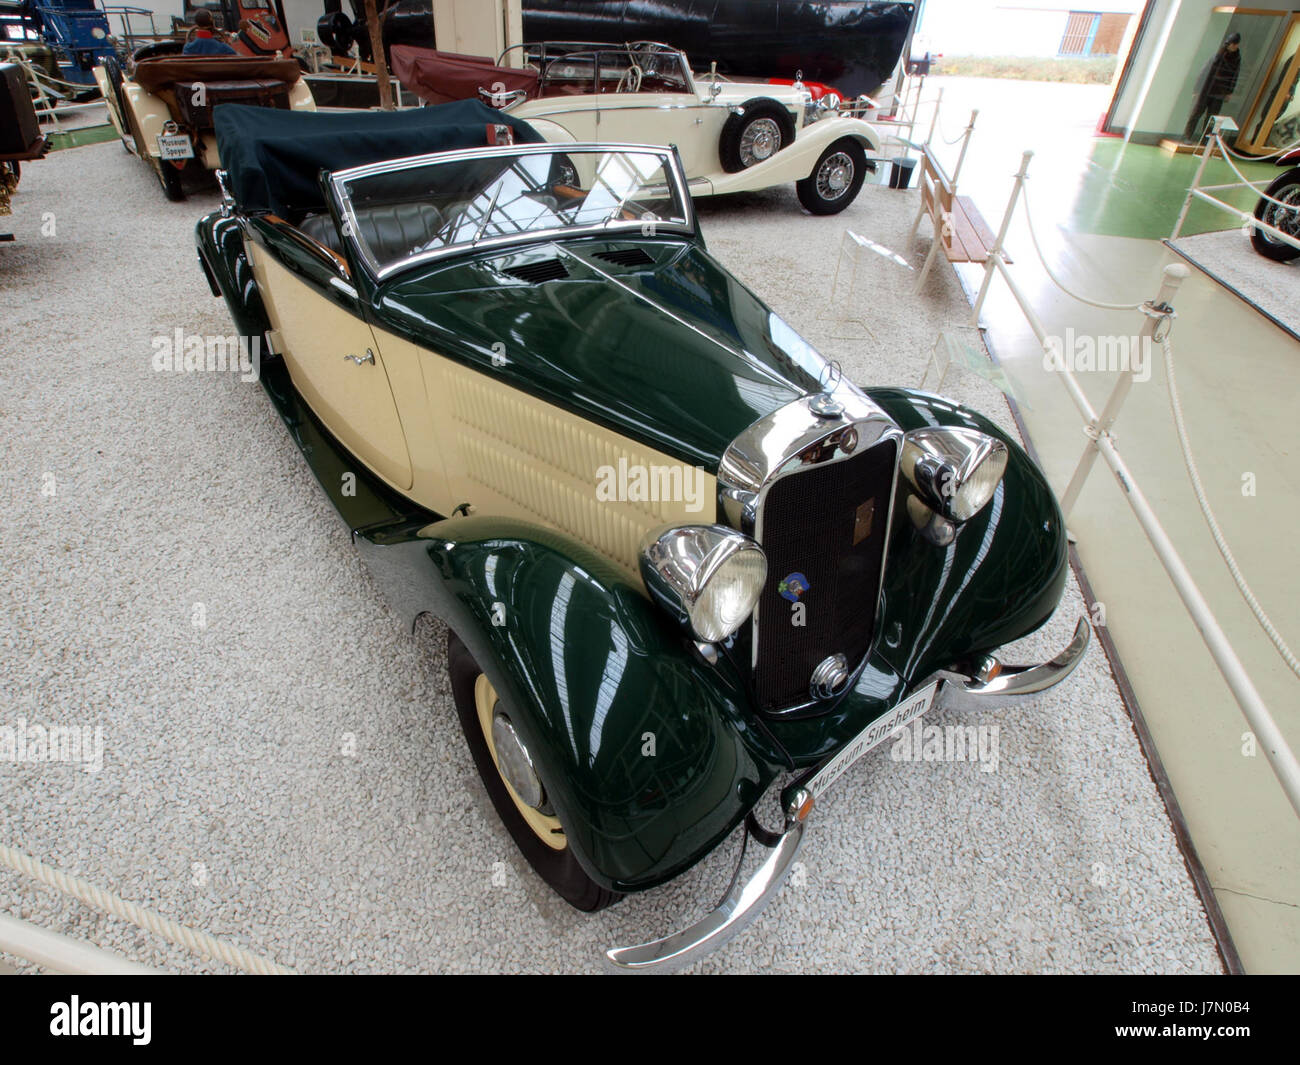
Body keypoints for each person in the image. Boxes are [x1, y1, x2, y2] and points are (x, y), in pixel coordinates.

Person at [1184, 32, 1242, 143]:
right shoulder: (1218, 55)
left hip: (1220, 92)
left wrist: (1229, 92)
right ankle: (1187, 137)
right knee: (1196, 114)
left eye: (1235, 44)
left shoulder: (1237, 59)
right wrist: (1197, 89)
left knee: (1211, 118)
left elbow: (1235, 76)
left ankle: (1205, 140)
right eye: (1231, 44)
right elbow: (1204, 71)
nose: (1233, 46)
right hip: (1206, 90)